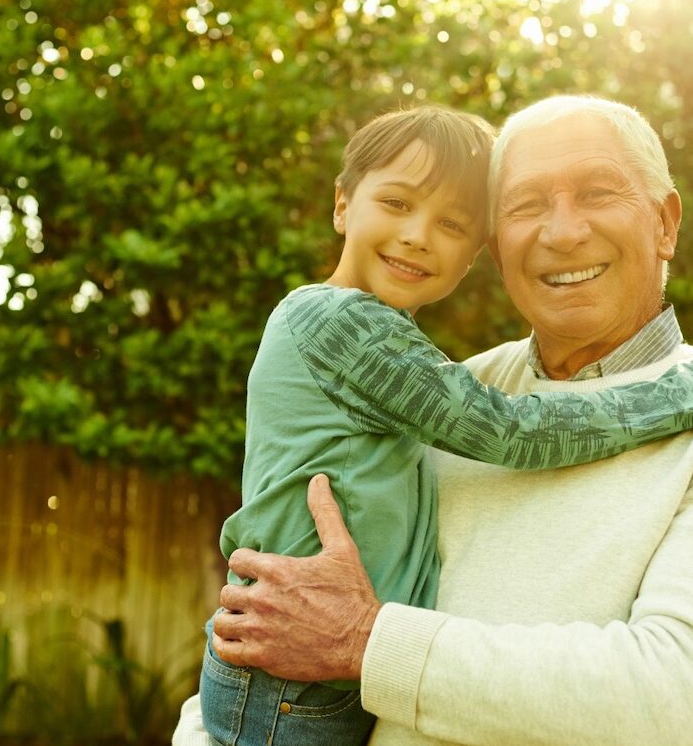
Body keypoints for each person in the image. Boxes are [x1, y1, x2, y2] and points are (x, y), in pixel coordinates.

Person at [189, 100, 693, 746]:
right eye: (527, 204)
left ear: (664, 224)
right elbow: (268, 631)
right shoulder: (457, 394)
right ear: (498, 250)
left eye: (597, 192)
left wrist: (367, 642)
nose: (564, 232)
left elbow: (673, 699)